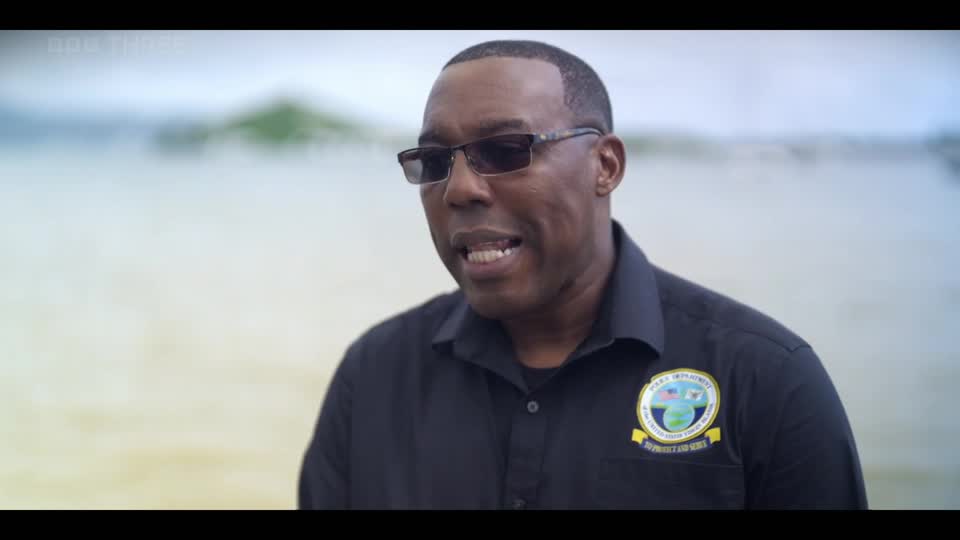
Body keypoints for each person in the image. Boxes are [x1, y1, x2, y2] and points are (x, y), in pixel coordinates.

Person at [297, 40, 868, 510]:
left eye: (506, 150)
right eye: (435, 161)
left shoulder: (765, 380)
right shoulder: (372, 377)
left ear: (605, 165)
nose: (460, 189)